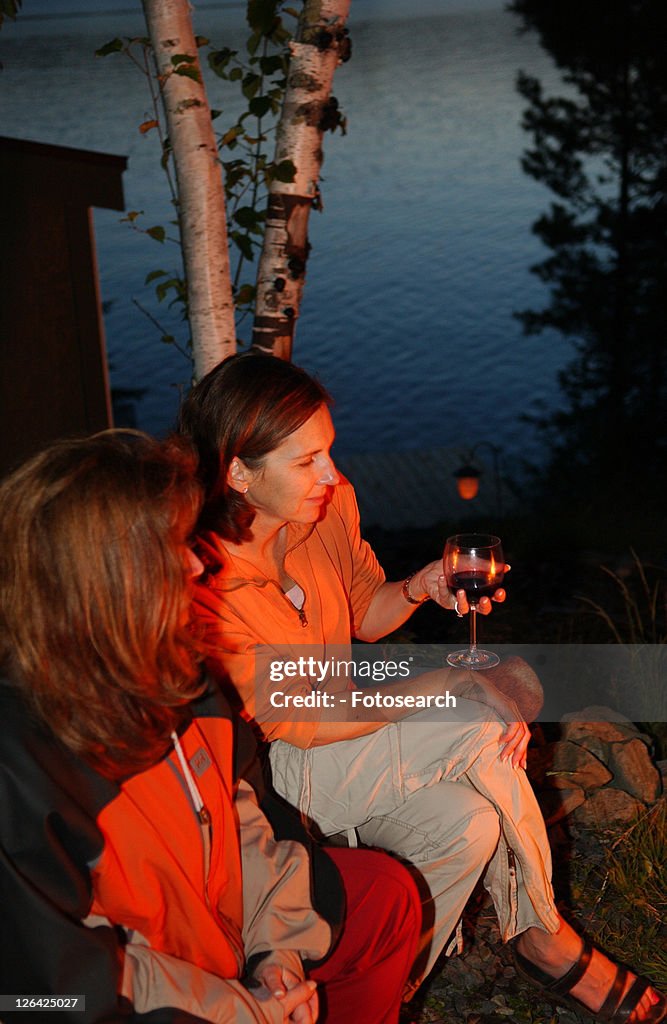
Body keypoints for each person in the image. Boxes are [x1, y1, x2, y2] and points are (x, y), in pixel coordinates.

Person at [179, 351, 666, 1024]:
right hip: (277, 778)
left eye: (329, 452)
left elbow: (362, 614)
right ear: (237, 473)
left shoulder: (326, 510)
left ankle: (376, 995)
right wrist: (449, 686)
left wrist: (417, 586)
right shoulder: (205, 583)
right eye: (306, 462)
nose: (332, 475)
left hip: (355, 747)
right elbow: (307, 717)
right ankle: (544, 939)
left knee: (463, 825)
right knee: (474, 721)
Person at [0, 430, 422, 1024]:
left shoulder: (180, 675)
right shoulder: (24, 765)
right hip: (163, 1002)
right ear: (103, 580)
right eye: (173, 547)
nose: (200, 562)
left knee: (383, 894)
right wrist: (241, 1009)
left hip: (231, 943)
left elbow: (244, 810)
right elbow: (43, 992)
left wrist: (277, 952)